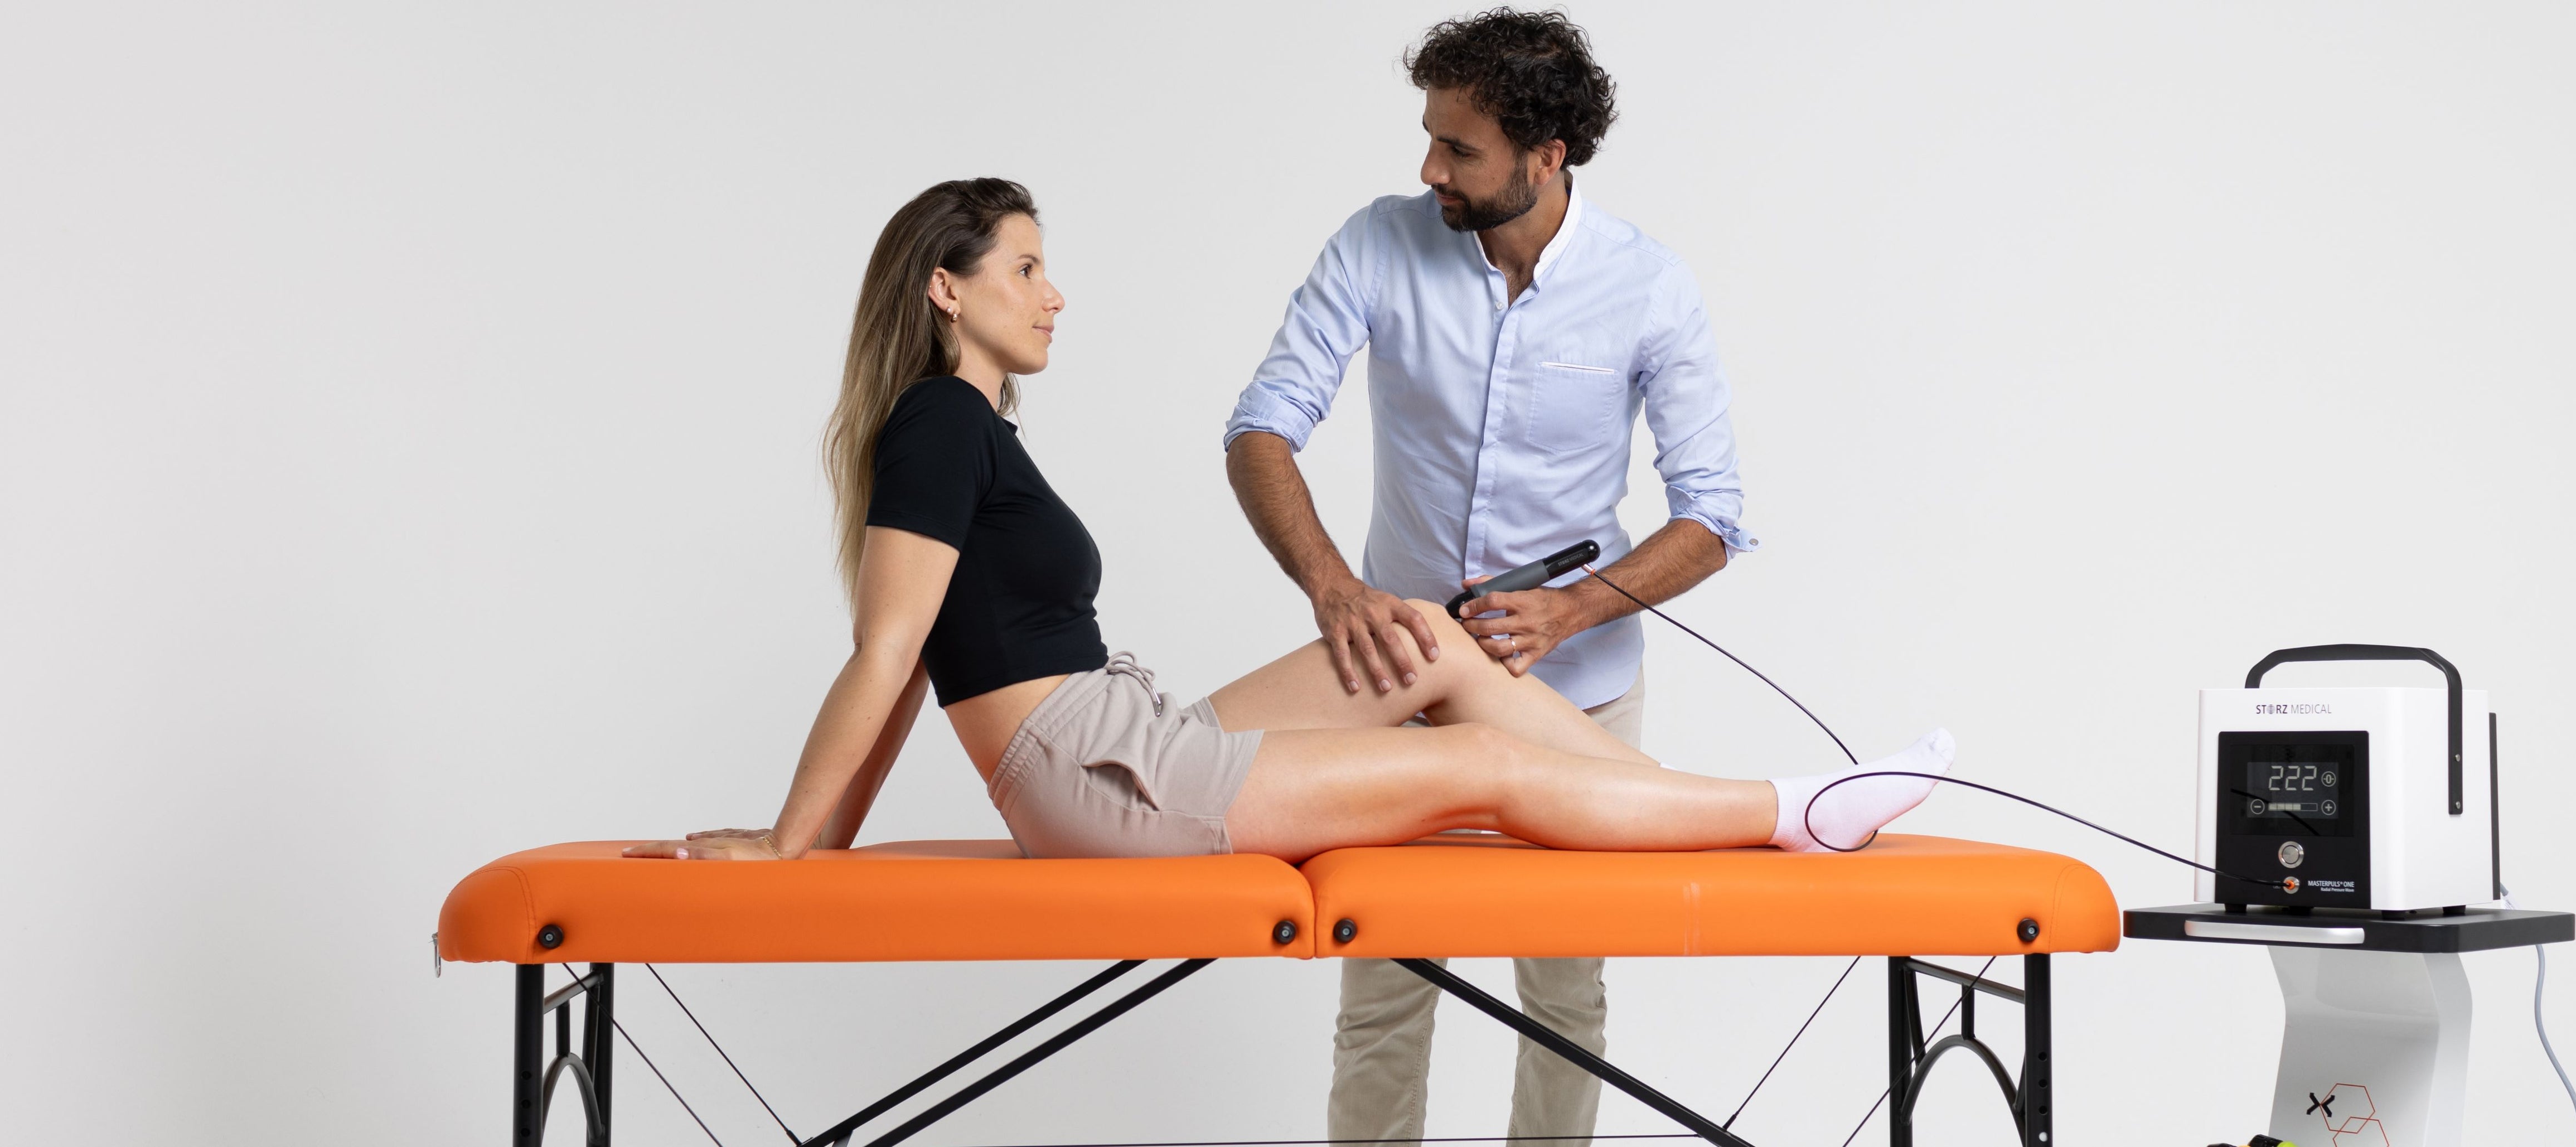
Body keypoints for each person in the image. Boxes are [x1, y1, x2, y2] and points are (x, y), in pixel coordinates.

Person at [624, 177, 1946, 878]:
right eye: (1025, 267)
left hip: (1118, 742)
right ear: (946, 291)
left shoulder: (966, 429)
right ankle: (1786, 812)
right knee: (1477, 771)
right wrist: (794, 842)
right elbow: (888, 651)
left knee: (1425, 639)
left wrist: (824, 840)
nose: (1055, 294)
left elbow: (914, 663)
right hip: (1096, 780)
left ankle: (1720, 810)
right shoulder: (936, 424)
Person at [1217, 11, 1753, 1145]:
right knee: (1383, 985)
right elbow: (1262, 428)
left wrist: (1574, 608)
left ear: (1546, 156)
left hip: (1577, 691)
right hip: (1401, 683)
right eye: (1430, 137)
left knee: (1564, 995)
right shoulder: (1377, 243)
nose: (1430, 168)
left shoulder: (1649, 286)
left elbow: (1712, 516)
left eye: (1459, 148)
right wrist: (1334, 590)